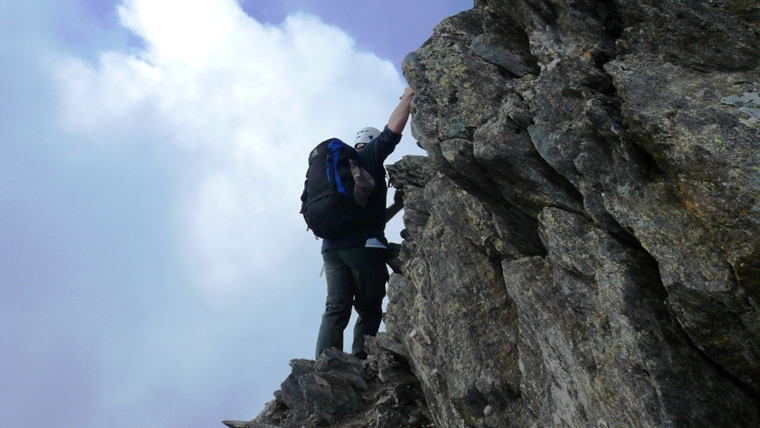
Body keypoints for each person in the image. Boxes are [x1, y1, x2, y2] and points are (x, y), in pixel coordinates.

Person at [315, 87, 414, 360]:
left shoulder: (345, 170)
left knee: (336, 307)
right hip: (364, 248)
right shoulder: (368, 159)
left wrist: (395, 205)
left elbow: (369, 218)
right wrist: (409, 96)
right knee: (369, 309)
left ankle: (327, 361)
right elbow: (391, 132)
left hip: (331, 250)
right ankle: (362, 360)